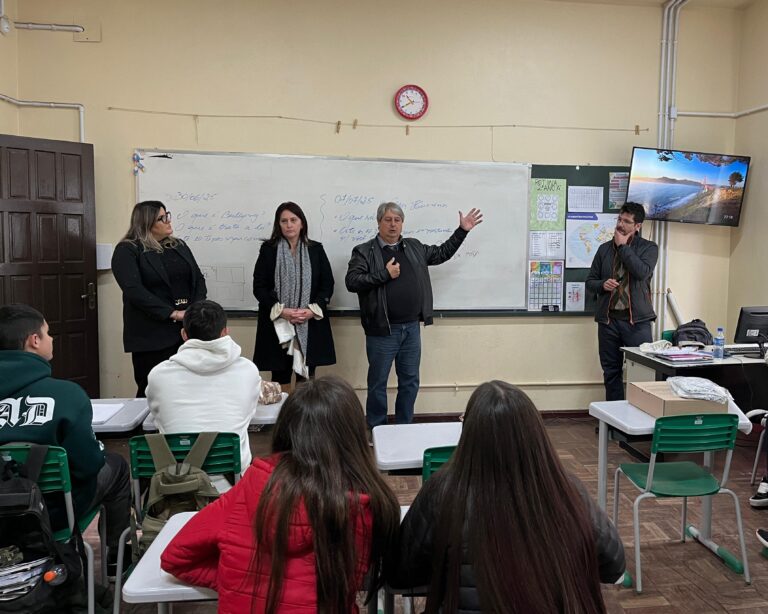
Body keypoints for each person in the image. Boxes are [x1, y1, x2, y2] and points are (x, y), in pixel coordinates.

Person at [160, 376, 400, 613]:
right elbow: (359, 578)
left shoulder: (248, 488)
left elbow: (175, 558)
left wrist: (233, 581)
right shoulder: (365, 508)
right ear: (353, 437)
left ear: (285, 428)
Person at [390, 380, 625, 613]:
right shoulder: (567, 489)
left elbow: (401, 574)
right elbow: (614, 566)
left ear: (470, 434)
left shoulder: (442, 491)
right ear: (535, 434)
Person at [0, 304, 131, 574]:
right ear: (33, 341)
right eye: (48, 333)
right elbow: (88, 465)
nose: (52, 339)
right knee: (116, 466)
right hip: (53, 511)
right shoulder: (66, 395)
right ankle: (117, 560)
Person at [345, 202, 483, 428]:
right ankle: (377, 429)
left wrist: (462, 231)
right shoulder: (364, 251)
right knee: (378, 383)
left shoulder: (414, 247)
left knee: (409, 382)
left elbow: (441, 253)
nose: (392, 224)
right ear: (379, 222)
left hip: (410, 329)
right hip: (382, 330)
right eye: (388, 220)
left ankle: (404, 428)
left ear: (402, 224)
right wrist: (385, 274)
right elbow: (352, 282)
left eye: (397, 220)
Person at [146, 299, 262, 471]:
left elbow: (157, 417)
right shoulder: (247, 371)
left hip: (176, 483)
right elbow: (248, 412)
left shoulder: (158, 375)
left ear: (184, 335)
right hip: (233, 485)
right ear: (225, 332)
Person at [112, 200, 207, 397]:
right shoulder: (128, 250)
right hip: (152, 334)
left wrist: (194, 311)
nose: (168, 221)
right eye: (161, 218)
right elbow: (133, 289)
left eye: (167, 215)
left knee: (188, 389)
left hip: (187, 331)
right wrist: (171, 313)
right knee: (155, 390)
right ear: (146, 223)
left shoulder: (179, 246)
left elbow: (197, 279)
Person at [253, 202, 336, 388]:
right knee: (279, 379)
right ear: (278, 225)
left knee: (306, 381)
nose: (289, 225)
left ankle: (304, 418)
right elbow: (259, 287)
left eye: (293, 220)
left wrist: (311, 310)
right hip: (278, 326)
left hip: (310, 323)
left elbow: (327, 284)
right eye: (284, 221)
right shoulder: (268, 250)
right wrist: (282, 311)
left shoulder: (316, 249)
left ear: (302, 223)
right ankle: (281, 416)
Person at [585, 202, 658, 401]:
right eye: (619, 219)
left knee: (643, 373)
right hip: (609, 322)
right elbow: (590, 282)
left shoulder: (649, 248)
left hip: (637, 322)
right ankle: (614, 424)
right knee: (611, 373)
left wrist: (623, 247)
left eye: (627, 221)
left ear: (637, 226)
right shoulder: (604, 250)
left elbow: (641, 272)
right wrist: (602, 285)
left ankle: (640, 424)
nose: (621, 224)